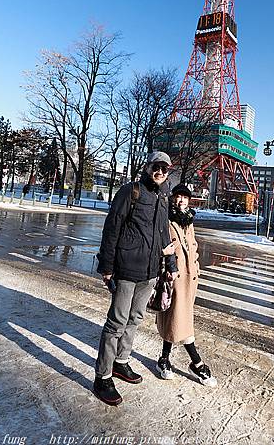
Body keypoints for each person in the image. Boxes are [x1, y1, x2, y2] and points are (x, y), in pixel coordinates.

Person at [93, 151, 178, 406]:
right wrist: (107, 266)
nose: (160, 171)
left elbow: (164, 233)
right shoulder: (131, 191)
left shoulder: (164, 196)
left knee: (135, 318)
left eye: (165, 168)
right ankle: (103, 376)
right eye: (156, 166)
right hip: (127, 268)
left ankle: (121, 362)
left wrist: (170, 264)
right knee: (116, 322)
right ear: (148, 166)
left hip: (150, 271)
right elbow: (112, 227)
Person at [156, 183, 217, 387]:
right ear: (172, 198)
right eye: (178, 196)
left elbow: (193, 246)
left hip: (190, 279)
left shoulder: (188, 220)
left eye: (185, 197)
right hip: (174, 277)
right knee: (181, 320)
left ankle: (164, 359)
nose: (181, 200)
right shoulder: (166, 219)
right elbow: (160, 245)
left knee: (175, 318)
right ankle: (197, 363)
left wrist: (197, 265)